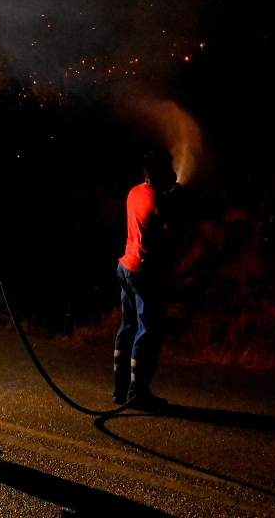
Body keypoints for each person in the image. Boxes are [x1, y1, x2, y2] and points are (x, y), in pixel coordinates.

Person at [113, 149, 179, 411]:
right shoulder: (160, 203)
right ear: (161, 171)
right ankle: (138, 393)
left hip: (125, 267)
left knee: (127, 327)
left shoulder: (135, 191)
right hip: (145, 272)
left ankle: (120, 391)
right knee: (148, 333)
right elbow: (170, 232)